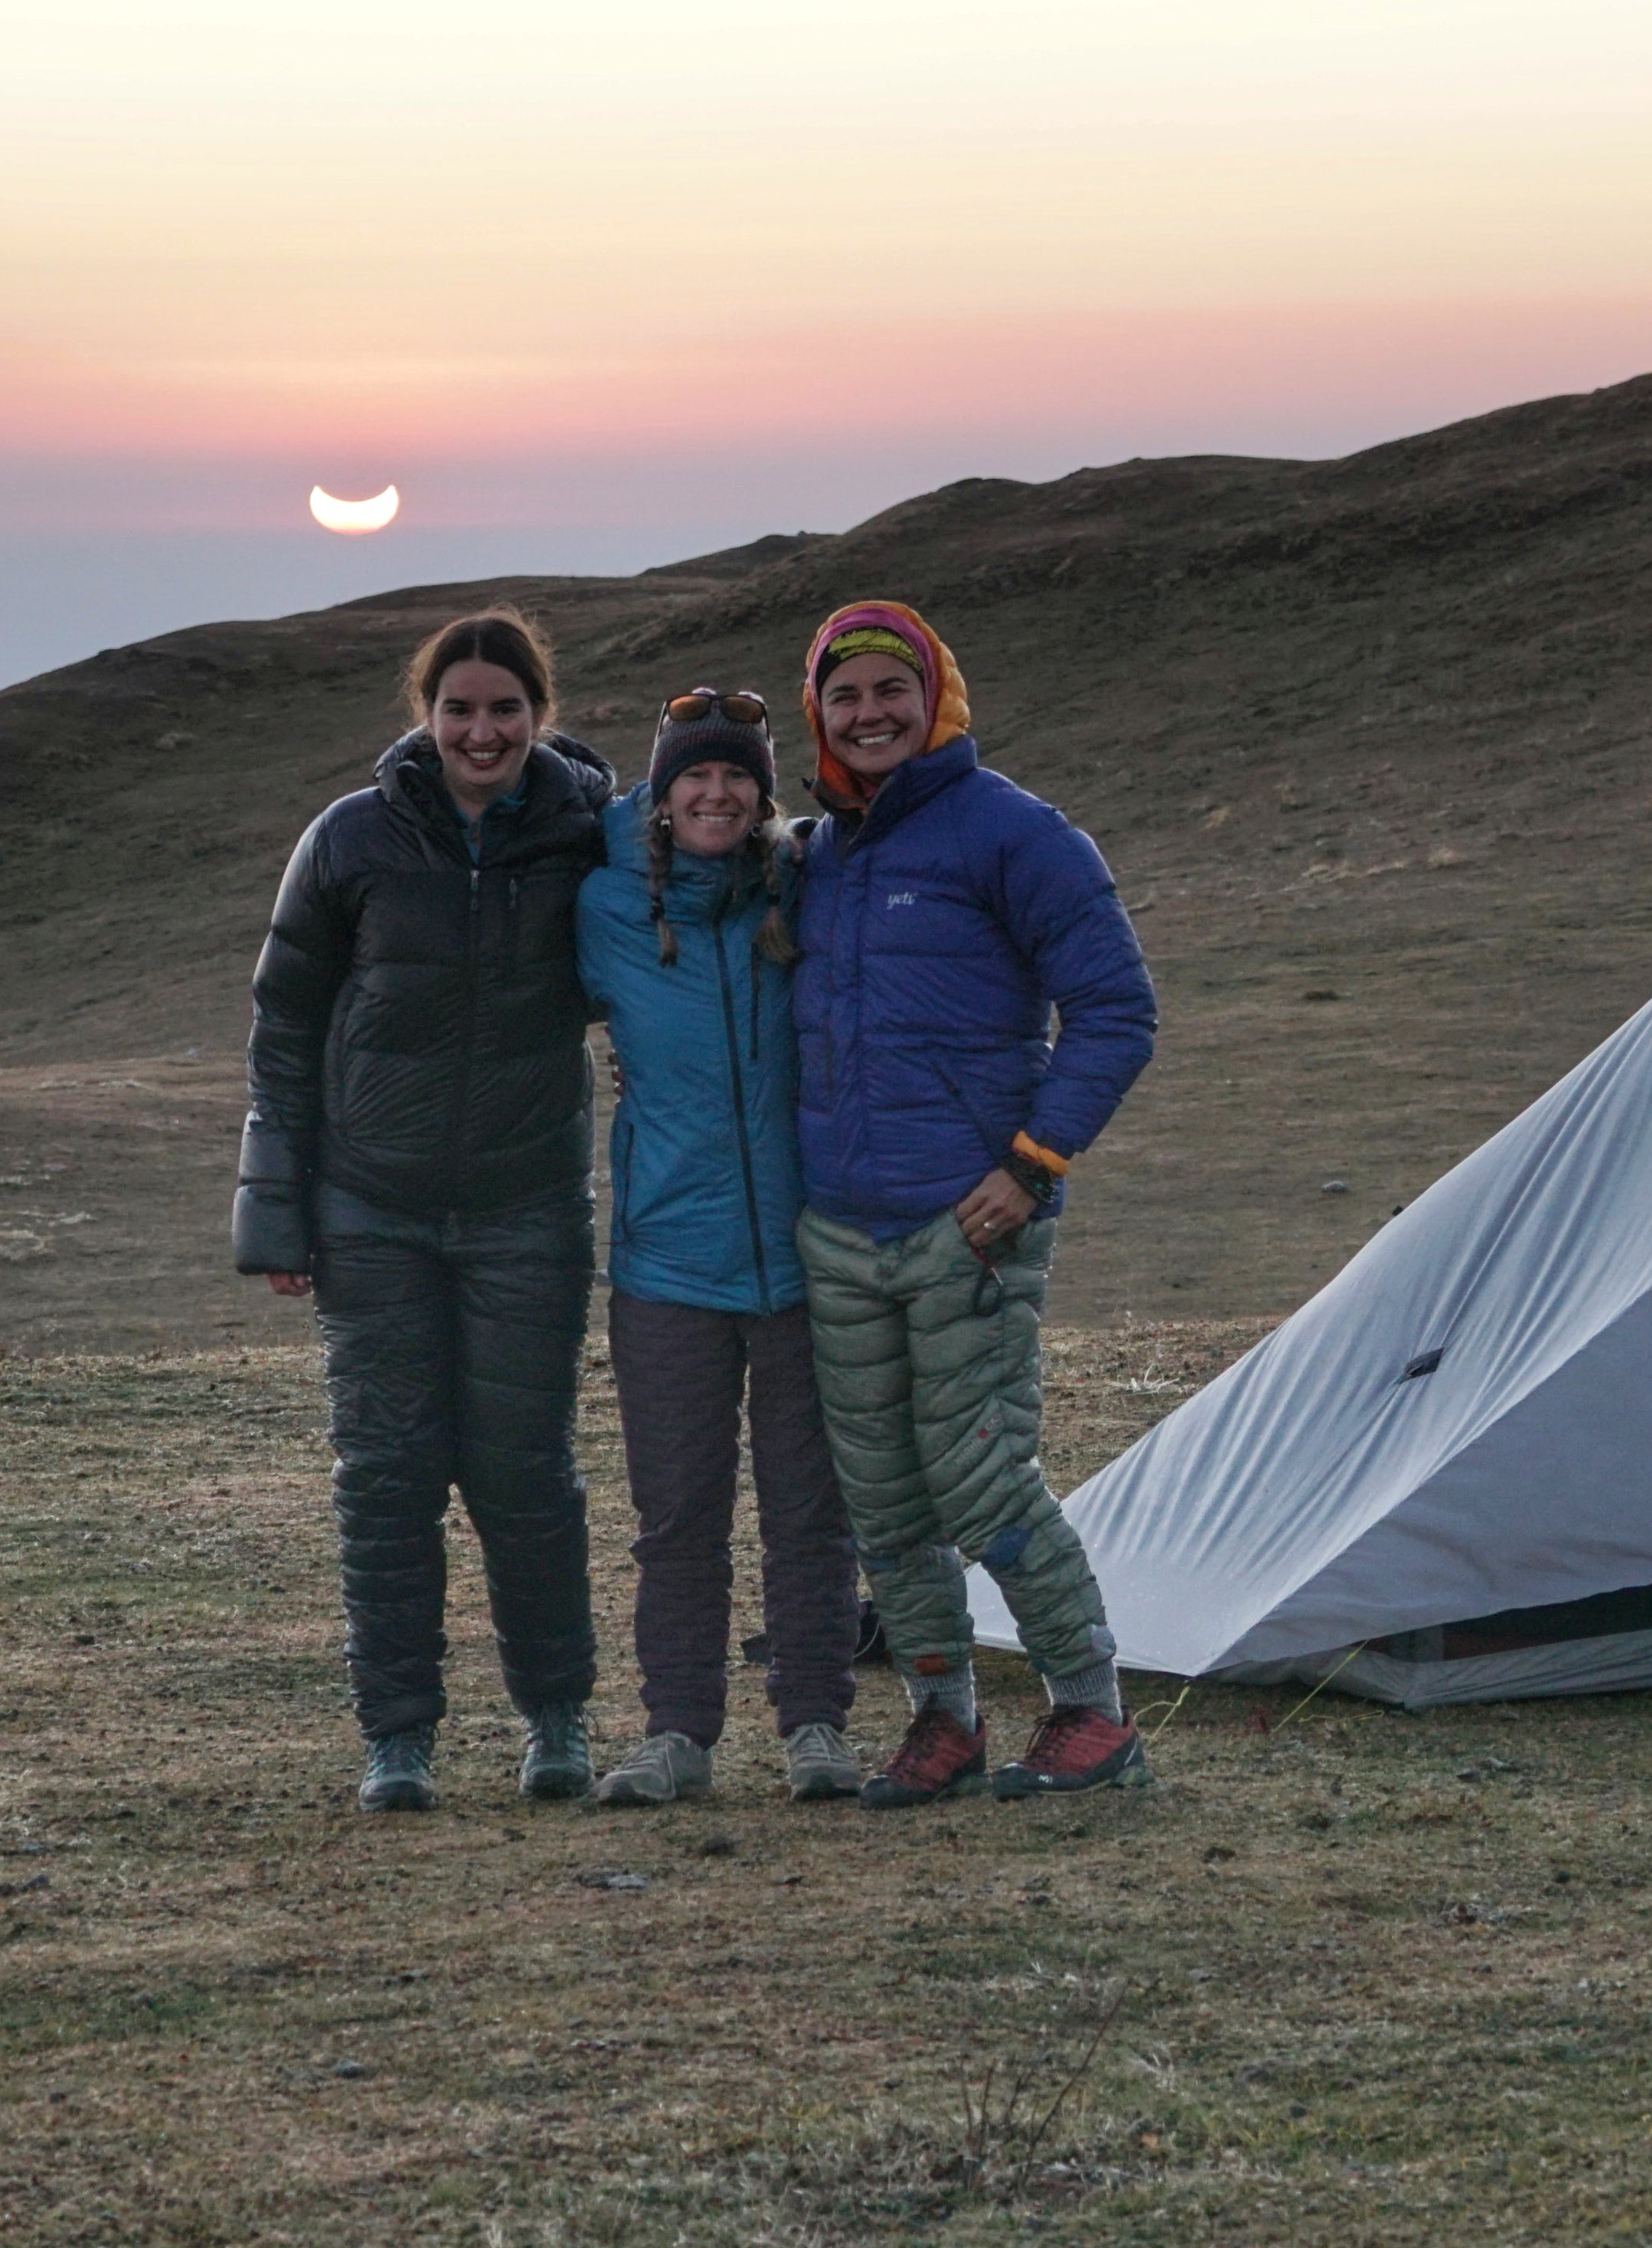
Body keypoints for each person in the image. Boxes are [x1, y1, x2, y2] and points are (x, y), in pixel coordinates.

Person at [233, 608, 616, 1813]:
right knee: (388, 1477)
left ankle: (556, 1718)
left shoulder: (585, 836)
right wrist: (278, 1214)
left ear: (538, 715)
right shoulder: (347, 840)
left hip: (527, 1212)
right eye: (459, 708)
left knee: (524, 1476)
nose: (482, 730)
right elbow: (285, 1025)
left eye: (506, 708)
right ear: (426, 715)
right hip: (373, 1213)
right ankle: (396, 1738)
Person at [787, 601, 1159, 1807]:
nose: (871, 712)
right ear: (820, 714)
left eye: (895, 688)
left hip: (970, 1223)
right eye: (846, 696)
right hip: (841, 1230)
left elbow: (1116, 1010)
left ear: (939, 697)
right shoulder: (821, 857)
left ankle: (1091, 1712)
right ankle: (939, 1718)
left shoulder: (1017, 834)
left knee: (985, 1480)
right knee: (883, 1496)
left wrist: (1035, 1162)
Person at [571, 687, 865, 1806]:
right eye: (694, 774)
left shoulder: (802, 888)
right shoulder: (603, 907)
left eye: (737, 776)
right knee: (679, 1516)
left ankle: (817, 1729)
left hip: (802, 1260)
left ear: (763, 795)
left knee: (808, 1513)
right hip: (665, 1267)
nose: (716, 792)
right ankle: (678, 1735)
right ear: (661, 792)